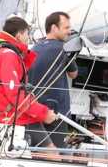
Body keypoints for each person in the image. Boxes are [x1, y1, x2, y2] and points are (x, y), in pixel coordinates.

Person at [0, 16, 56, 128]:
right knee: (42, 130)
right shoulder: (9, 56)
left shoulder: (3, 52)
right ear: (19, 35)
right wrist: (43, 113)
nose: (28, 38)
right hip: (9, 117)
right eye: (27, 33)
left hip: (0, 113)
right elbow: (15, 94)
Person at [26, 11, 79, 153]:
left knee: (35, 153)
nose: (69, 31)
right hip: (56, 113)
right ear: (54, 28)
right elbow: (73, 74)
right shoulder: (63, 49)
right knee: (56, 155)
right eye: (66, 27)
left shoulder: (34, 48)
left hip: (34, 111)